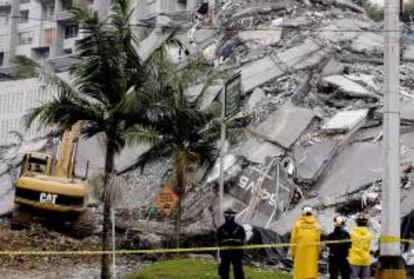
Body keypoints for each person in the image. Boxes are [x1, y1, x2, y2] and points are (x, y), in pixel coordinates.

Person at [289, 206, 321, 279]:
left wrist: (292, 252)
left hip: (299, 251)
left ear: (303, 213)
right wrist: (317, 252)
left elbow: (293, 239)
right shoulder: (316, 225)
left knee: (299, 271)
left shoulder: (297, 224)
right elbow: (318, 240)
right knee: (310, 271)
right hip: (312, 251)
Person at [217, 208, 246, 279]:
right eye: (228, 214)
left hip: (232, 253)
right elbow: (243, 240)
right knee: (227, 271)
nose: (229, 216)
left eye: (231, 214)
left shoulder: (221, 229)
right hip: (230, 253)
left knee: (237, 271)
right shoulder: (239, 228)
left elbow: (243, 240)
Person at [348, 214, 373, 279]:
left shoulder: (352, 233)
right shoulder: (369, 234)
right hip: (365, 259)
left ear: (357, 223)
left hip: (354, 259)